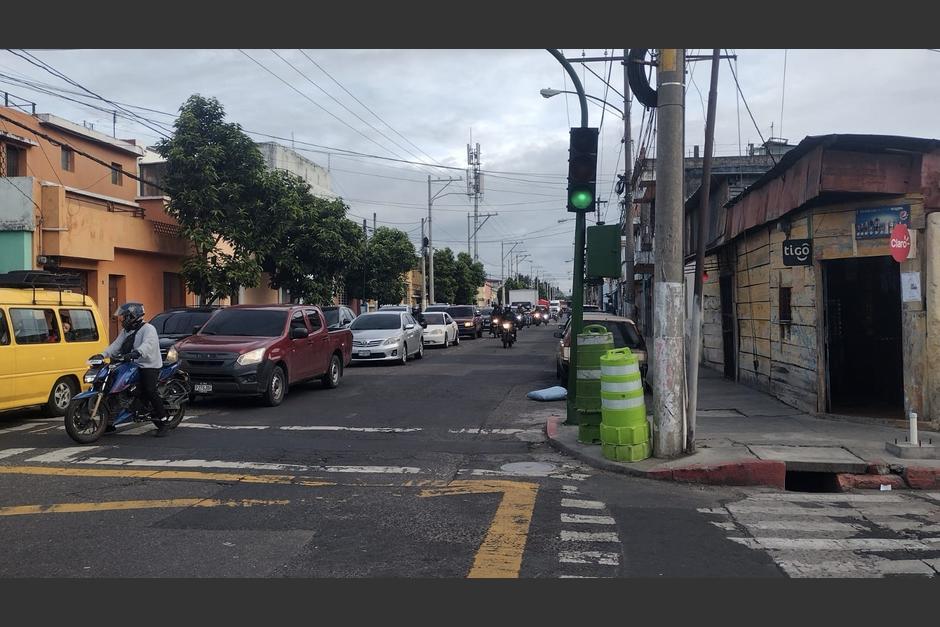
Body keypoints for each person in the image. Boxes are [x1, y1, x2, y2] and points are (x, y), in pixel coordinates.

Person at [100, 302, 168, 436]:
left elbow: (148, 345)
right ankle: (109, 422)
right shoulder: (126, 331)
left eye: (123, 317)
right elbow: (116, 345)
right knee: (111, 386)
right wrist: (103, 354)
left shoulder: (148, 329)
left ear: (132, 316)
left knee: (149, 390)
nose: (121, 321)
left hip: (148, 365)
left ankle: (163, 422)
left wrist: (137, 353)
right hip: (132, 363)